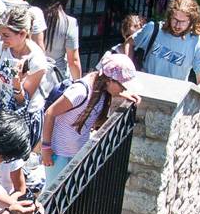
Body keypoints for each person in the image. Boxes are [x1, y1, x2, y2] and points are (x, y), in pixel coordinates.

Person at [38, 51, 142, 184]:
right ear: (109, 80)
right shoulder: (81, 91)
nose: (123, 89)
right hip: (59, 153)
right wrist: (46, 148)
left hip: (77, 151)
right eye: (122, 86)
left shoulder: (103, 91)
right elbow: (50, 113)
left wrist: (124, 94)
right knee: (53, 193)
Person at [0, 5, 53, 142]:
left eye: (6, 35)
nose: (1, 39)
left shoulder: (37, 60)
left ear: (22, 34)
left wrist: (16, 81)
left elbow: (22, 102)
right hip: (3, 109)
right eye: (0, 34)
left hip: (25, 117)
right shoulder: (1, 45)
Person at [131, 0, 200, 92]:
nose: (177, 25)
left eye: (183, 22)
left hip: (174, 96)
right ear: (169, 16)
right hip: (144, 89)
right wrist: (128, 73)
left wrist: (188, 98)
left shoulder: (199, 44)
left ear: (192, 21)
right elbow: (129, 43)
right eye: (175, 19)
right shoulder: (153, 29)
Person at [33, 0, 82, 86]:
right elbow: (73, 61)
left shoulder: (31, 14)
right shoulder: (69, 23)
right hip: (55, 80)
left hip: (29, 75)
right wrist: (78, 86)